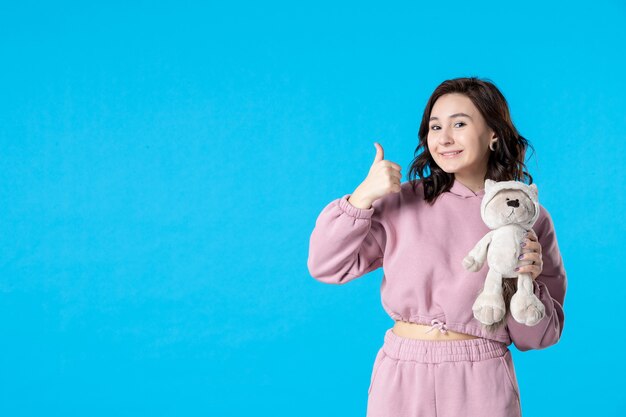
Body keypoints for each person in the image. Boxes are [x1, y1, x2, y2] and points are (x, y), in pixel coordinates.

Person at [306, 77, 567, 417]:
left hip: (481, 378)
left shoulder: (525, 216)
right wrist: (362, 198)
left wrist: (522, 281)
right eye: (435, 126)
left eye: (459, 123)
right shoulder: (401, 202)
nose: (444, 138)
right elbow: (326, 265)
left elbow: (536, 338)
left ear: (493, 134)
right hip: (402, 376)